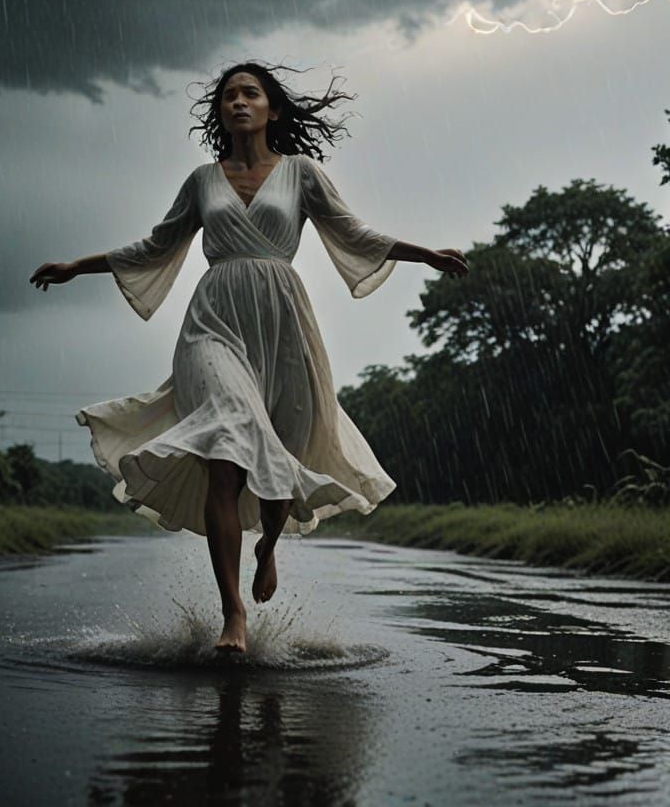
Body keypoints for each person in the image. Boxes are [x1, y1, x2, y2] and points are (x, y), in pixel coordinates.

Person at [30, 63, 468, 654]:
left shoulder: (301, 173)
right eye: (229, 95)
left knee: (280, 455)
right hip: (212, 323)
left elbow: (353, 233)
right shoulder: (202, 181)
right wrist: (77, 267)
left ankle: (268, 544)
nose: (238, 101)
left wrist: (426, 255)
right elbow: (156, 245)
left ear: (272, 110)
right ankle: (233, 613)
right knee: (226, 444)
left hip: (284, 324)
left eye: (250, 93)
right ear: (221, 112)